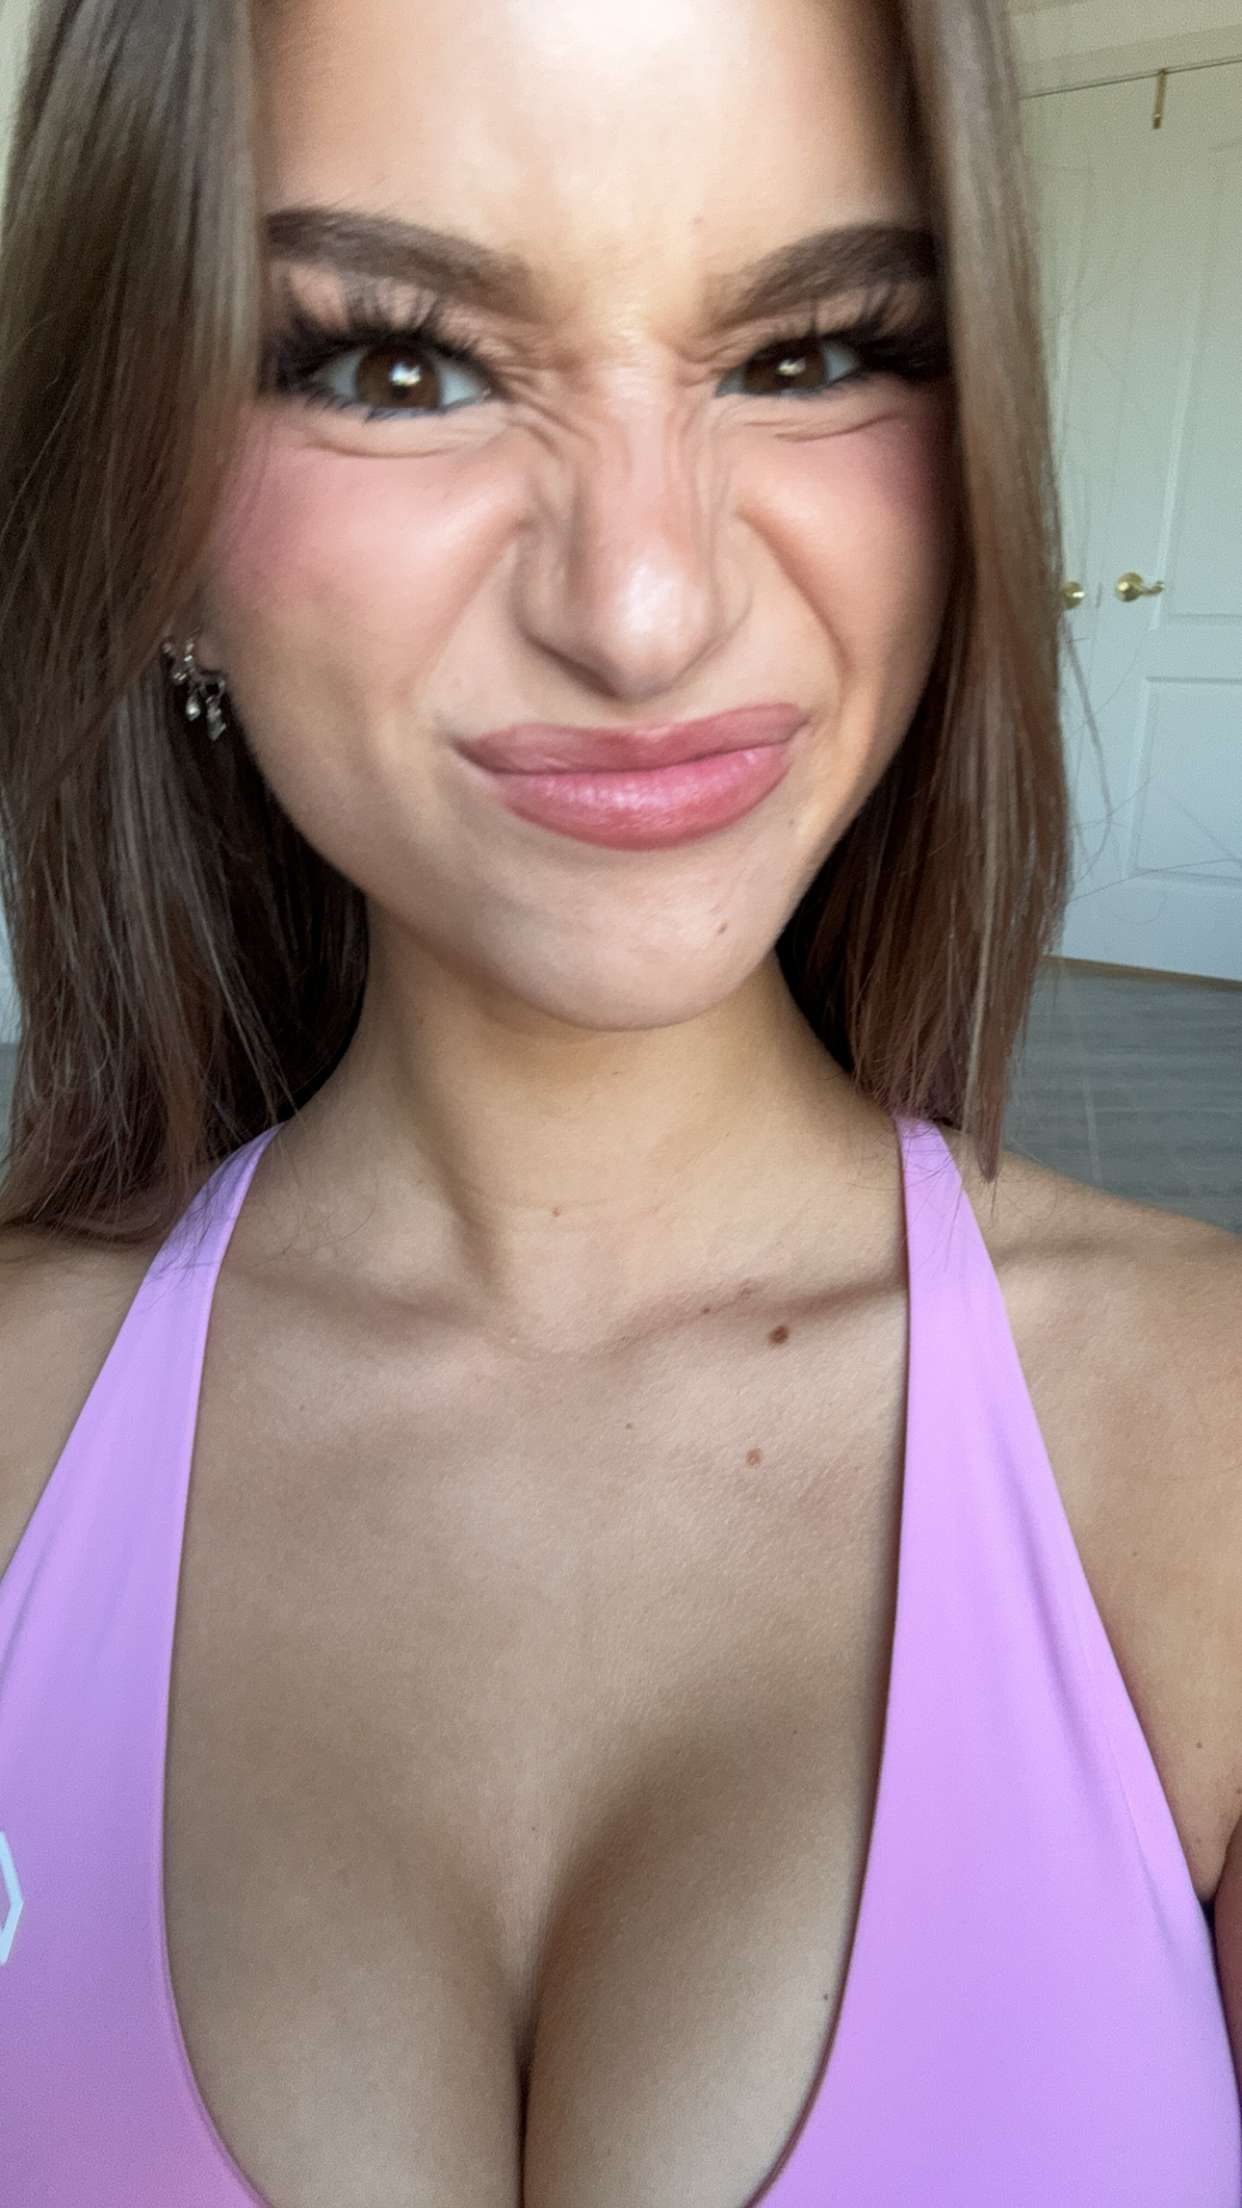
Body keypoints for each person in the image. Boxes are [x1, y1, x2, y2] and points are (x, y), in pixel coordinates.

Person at [0, 0, 1239, 2200]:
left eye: (813, 350)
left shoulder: (1206, 1451)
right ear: (149, 511)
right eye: (396, 365)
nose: (645, 611)